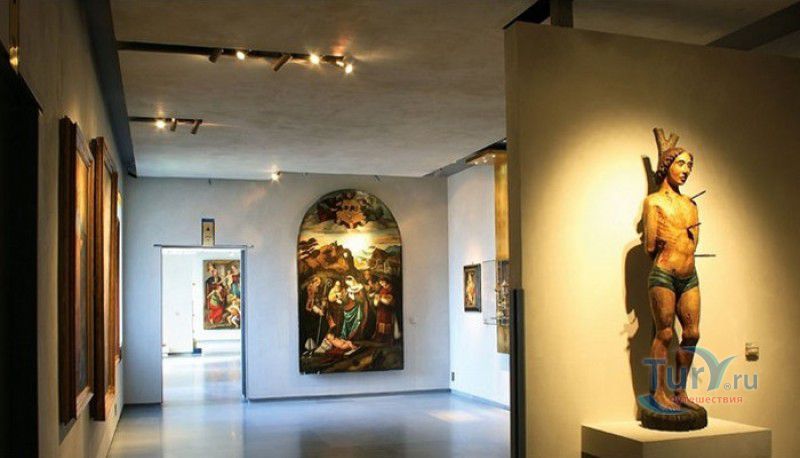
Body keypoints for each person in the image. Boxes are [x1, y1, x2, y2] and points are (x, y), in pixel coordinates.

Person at [642, 128, 702, 413]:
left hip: (689, 276)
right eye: (681, 163)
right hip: (664, 273)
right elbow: (649, 246)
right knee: (665, 333)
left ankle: (680, 391)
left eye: (689, 165)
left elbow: (694, 243)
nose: (686, 170)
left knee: (692, 333)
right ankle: (657, 393)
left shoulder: (691, 204)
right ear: (667, 166)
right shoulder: (653, 202)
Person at [373, 277, 395, 343]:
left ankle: (386, 338)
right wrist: (377, 299)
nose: (381, 284)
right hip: (381, 308)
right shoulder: (382, 289)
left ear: (386, 281)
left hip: (387, 309)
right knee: (381, 321)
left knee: (387, 322)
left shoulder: (391, 288)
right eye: (380, 282)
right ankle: (381, 337)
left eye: (382, 282)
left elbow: (390, 300)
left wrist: (381, 298)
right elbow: (379, 297)